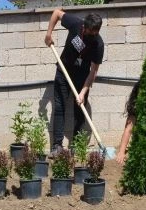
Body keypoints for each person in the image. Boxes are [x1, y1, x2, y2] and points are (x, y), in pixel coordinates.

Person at [44, 9, 104, 156]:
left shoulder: (98, 45)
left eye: (97, 33)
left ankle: (76, 145)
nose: (94, 36)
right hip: (63, 71)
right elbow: (56, 13)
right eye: (92, 32)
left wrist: (83, 92)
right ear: (85, 27)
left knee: (79, 111)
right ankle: (57, 146)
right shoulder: (76, 24)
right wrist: (48, 34)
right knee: (60, 107)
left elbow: (93, 71)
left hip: (82, 77)